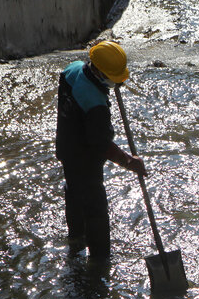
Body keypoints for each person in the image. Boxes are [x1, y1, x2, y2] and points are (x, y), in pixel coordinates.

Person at [55, 41, 147, 261]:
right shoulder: (95, 104)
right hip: (84, 159)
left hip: (66, 146)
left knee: (74, 193)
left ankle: (76, 240)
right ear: (97, 71)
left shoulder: (72, 69)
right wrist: (129, 162)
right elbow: (101, 144)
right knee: (95, 208)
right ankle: (100, 261)